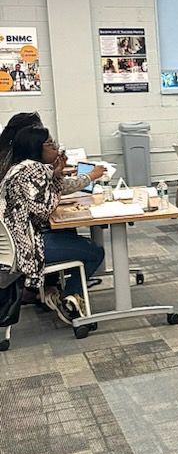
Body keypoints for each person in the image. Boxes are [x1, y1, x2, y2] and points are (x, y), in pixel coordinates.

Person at [0, 125, 104, 323]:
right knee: (95, 252)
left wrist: (56, 174)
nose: (56, 147)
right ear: (35, 147)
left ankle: (59, 292)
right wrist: (57, 176)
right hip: (28, 247)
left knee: (74, 239)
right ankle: (69, 298)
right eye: (49, 143)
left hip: (19, 241)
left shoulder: (20, 167)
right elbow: (44, 208)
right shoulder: (33, 170)